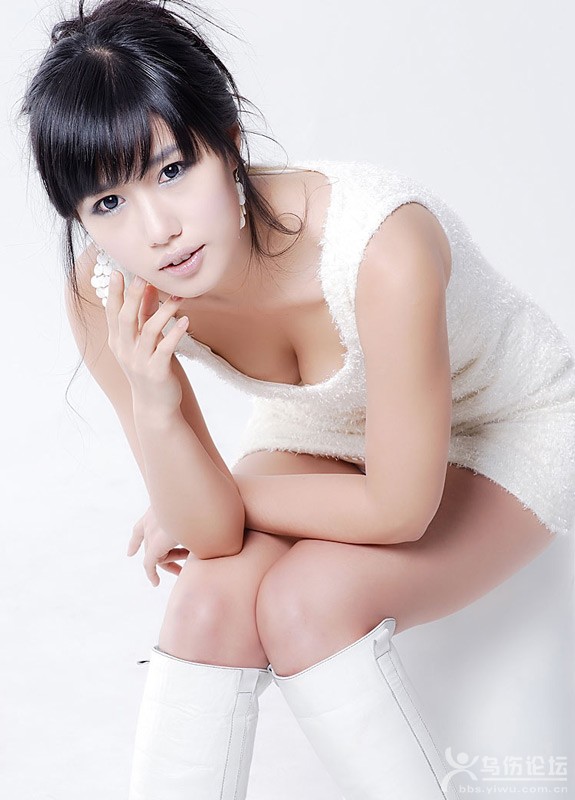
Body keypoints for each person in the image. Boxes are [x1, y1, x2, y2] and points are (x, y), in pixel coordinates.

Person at [19, 0, 575, 798]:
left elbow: (395, 511)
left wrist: (213, 491)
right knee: (207, 602)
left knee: (306, 604)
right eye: (108, 204)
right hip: (319, 430)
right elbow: (209, 534)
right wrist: (155, 406)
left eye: (173, 170)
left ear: (229, 144)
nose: (157, 230)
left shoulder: (380, 246)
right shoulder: (107, 297)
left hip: (502, 425)